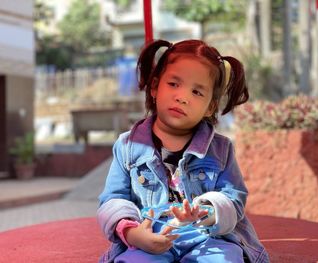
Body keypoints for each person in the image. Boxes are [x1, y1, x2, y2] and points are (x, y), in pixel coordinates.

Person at [97, 39, 270, 263]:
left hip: (207, 236)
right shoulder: (127, 147)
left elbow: (234, 199)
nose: (182, 97)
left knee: (226, 258)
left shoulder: (221, 149)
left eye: (197, 92)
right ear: (155, 87)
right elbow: (113, 200)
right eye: (174, 84)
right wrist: (133, 234)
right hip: (150, 235)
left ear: (210, 107)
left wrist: (205, 213)